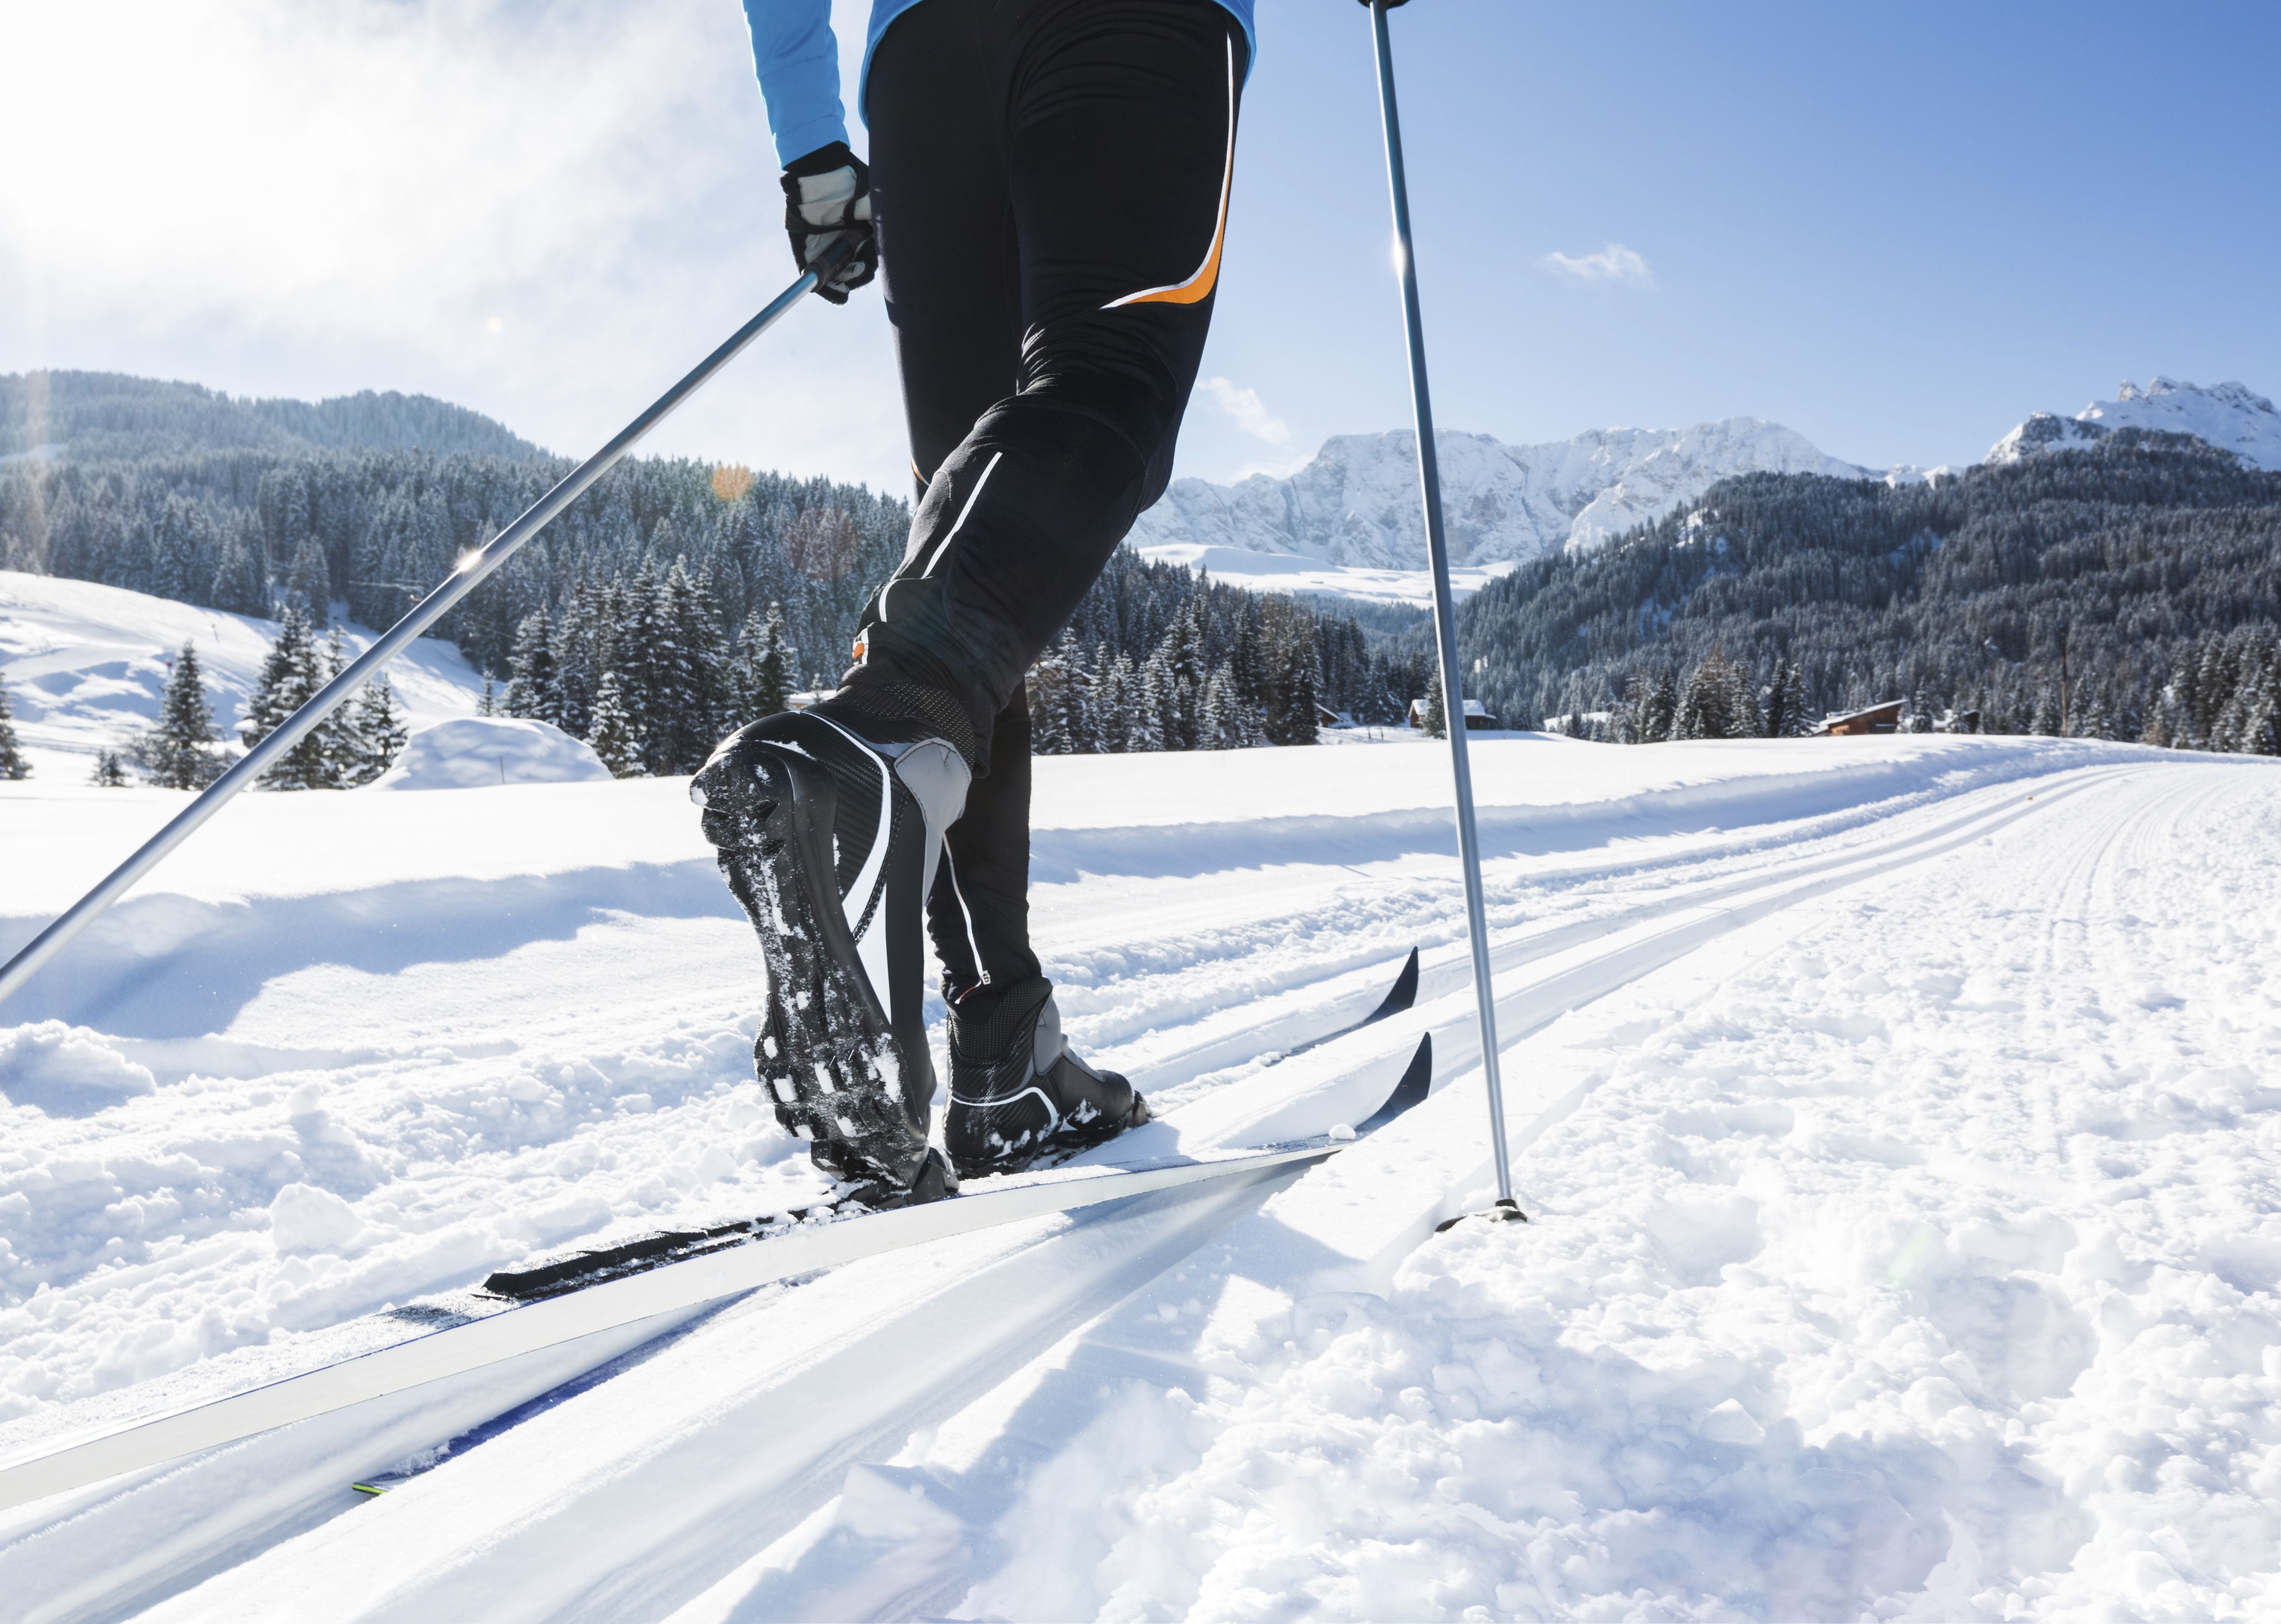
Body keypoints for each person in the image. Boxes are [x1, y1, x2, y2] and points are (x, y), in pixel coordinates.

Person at [693, 0, 1255, 1206]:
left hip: (927, 62)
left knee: (978, 581)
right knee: (1107, 389)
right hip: (1129, 29)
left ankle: (1005, 1047)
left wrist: (810, 143)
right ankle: (886, 741)